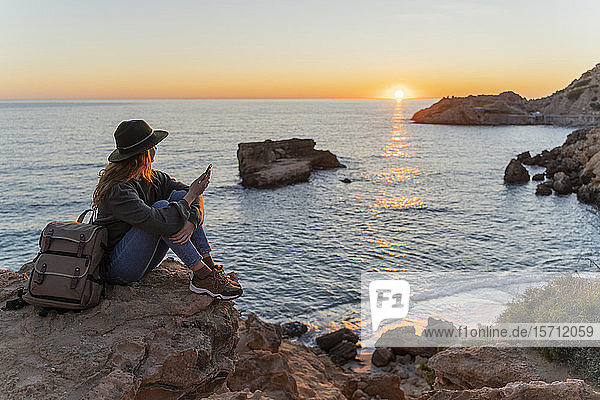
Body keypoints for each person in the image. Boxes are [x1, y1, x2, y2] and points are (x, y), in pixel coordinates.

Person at [92, 120, 243, 299]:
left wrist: (192, 222)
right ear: (144, 153)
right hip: (117, 269)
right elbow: (158, 220)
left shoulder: (152, 177)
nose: (156, 148)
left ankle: (209, 268)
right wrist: (189, 200)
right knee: (163, 208)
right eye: (153, 145)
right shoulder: (117, 190)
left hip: (143, 260)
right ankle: (202, 275)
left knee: (178, 197)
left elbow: (188, 193)